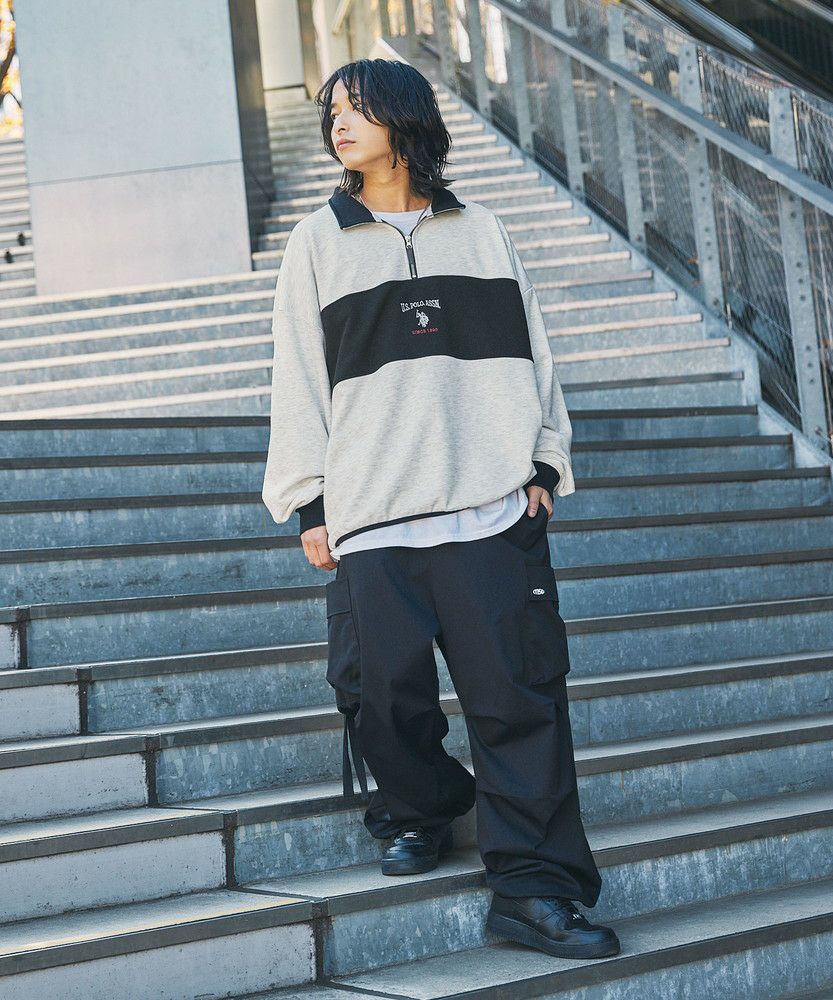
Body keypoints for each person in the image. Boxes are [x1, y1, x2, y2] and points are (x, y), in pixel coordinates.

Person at [261, 57, 620, 961]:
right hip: (371, 515)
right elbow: (296, 377)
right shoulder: (318, 241)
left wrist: (543, 463)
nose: (339, 124)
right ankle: (421, 806)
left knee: (518, 706)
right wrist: (309, 501)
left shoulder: (483, 231)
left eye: (357, 108)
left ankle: (534, 890)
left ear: (405, 119)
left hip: (489, 512)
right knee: (378, 697)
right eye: (331, 113)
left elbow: (535, 356)